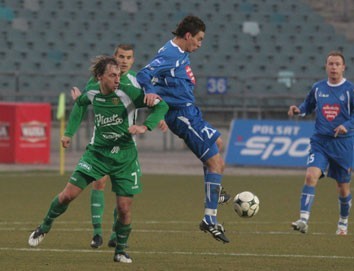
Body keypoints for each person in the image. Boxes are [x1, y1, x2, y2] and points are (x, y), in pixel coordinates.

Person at [28, 56, 169, 263]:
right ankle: (44, 226)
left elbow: (161, 106)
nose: (117, 80)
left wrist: (145, 126)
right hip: (97, 154)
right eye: (113, 75)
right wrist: (68, 133)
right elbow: (80, 104)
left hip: (125, 156)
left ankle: (120, 251)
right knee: (68, 195)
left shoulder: (128, 92)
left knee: (124, 208)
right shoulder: (92, 91)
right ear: (100, 77)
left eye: (119, 75)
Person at [136, 15, 231, 243]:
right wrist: (151, 92)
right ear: (188, 36)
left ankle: (213, 192)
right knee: (215, 162)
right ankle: (209, 219)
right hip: (182, 115)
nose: (200, 44)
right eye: (198, 39)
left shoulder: (180, 52)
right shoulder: (170, 54)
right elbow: (143, 74)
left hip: (190, 111)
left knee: (218, 145)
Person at [61, 44, 165, 249]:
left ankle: (115, 234)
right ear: (114, 58)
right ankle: (97, 233)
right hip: (101, 143)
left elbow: (153, 101)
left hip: (127, 144)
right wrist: (68, 133)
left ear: (133, 60)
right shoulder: (99, 80)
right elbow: (81, 105)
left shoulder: (138, 80)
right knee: (98, 183)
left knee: (122, 192)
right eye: (121, 57)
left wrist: (157, 121)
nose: (124, 61)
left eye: (128, 57)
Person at [288, 51, 354, 235]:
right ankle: (303, 220)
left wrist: (346, 126)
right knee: (310, 176)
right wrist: (297, 110)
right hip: (320, 142)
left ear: (343, 67)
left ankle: (343, 221)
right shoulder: (318, 88)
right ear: (326, 66)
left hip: (342, 146)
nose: (333, 67)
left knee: (343, 188)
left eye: (337, 64)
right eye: (330, 64)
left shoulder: (351, 90)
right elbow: (307, 106)